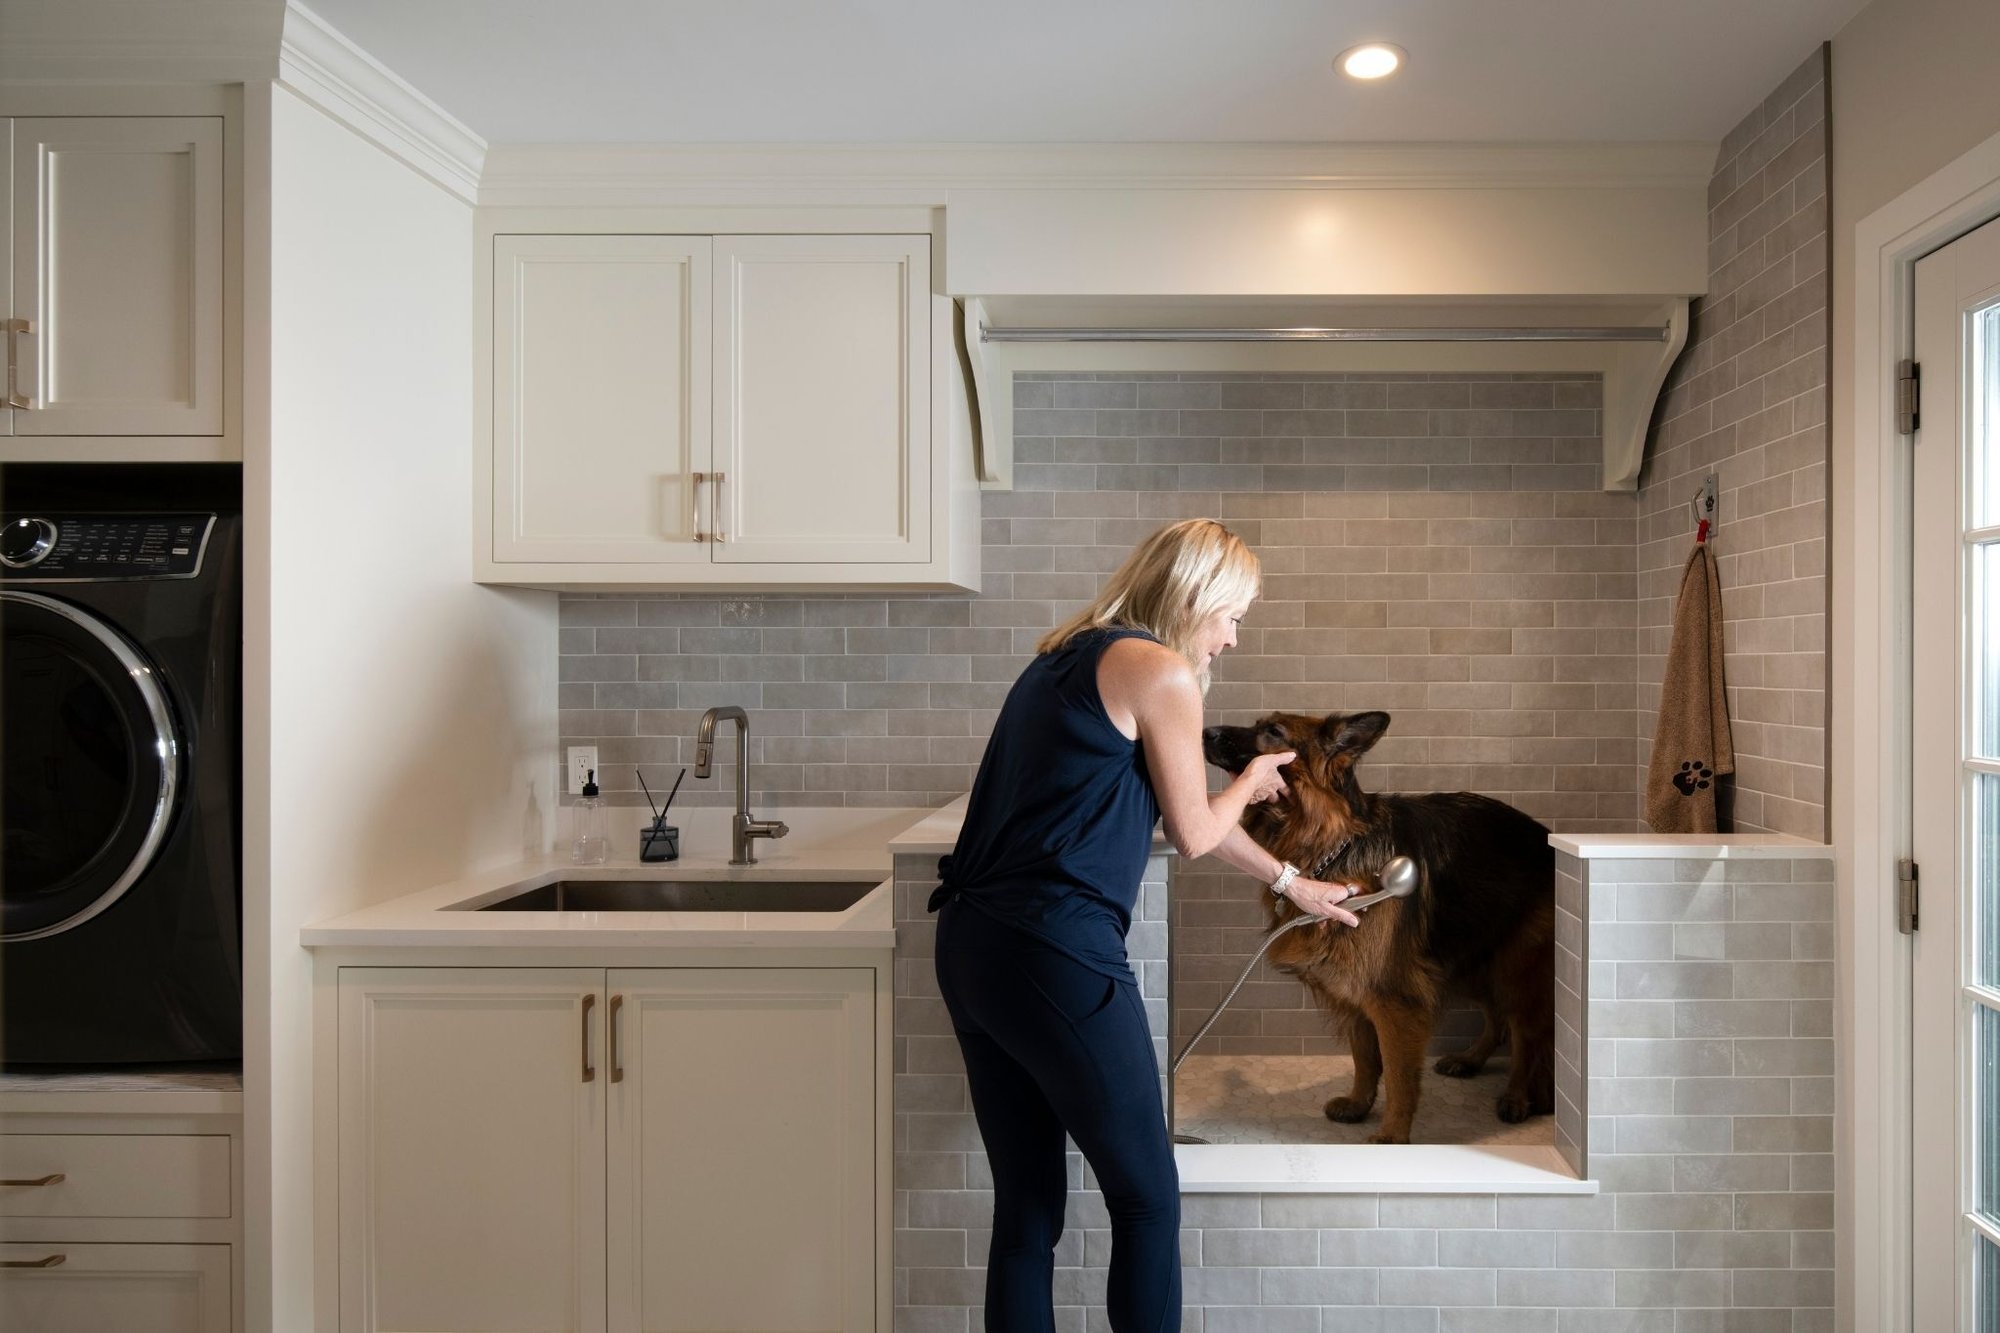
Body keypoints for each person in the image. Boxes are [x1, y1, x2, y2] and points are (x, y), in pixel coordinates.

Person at [928, 516, 1363, 1332]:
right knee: (1148, 1196)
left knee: (1028, 1204)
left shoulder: (1069, 653)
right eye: (1233, 614)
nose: (1233, 638)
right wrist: (1254, 776)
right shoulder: (1162, 672)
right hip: (1053, 951)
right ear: (1195, 595)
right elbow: (1197, 830)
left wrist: (1292, 879)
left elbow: (1177, 812)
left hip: (973, 946)